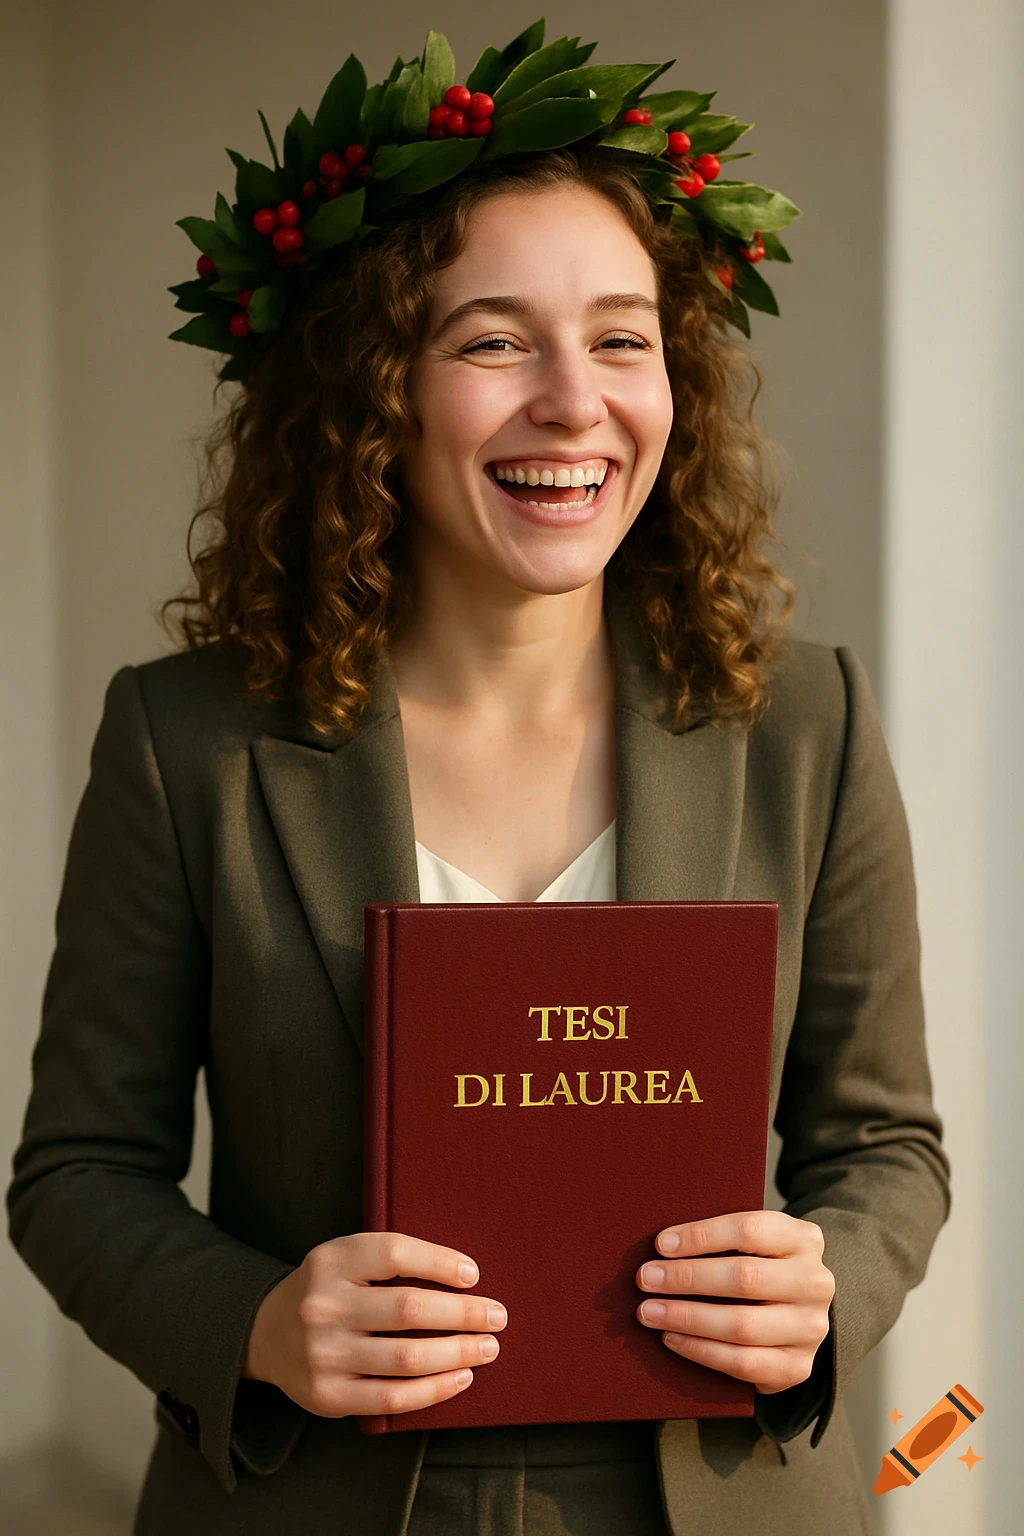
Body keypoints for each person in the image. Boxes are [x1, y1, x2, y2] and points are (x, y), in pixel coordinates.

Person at [5, 24, 950, 1536]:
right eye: (494, 340)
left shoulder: (805, 727)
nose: (574, 401)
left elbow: (884, 1146)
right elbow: (74, 1175)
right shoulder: (187, 746)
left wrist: (827, 1283)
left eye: (622, 338)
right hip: (315, 1498)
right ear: (374, 392)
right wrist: (253, 1326)